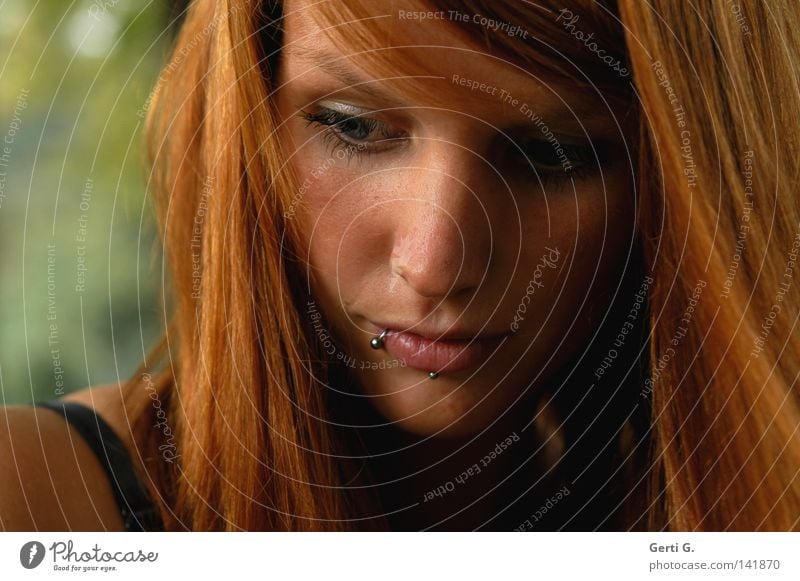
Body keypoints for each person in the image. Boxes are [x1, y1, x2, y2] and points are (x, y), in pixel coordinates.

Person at [2, 0, 798, 532]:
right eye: (352, 126)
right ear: (246, 122)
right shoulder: (36, 501)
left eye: (553, 153)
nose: (435, 263)